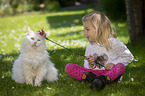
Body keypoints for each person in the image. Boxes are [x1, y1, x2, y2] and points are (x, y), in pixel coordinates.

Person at [65, 11, 134, 90]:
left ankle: (104, 79)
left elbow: (128, 56)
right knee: (69, 67)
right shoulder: (90, 45)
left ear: (99, 29)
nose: (85, 33)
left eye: (87, 29)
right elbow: (86, 65)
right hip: (92, 74)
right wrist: (90, 64)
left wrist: (114, 64)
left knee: (120, 67)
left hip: (109, 73)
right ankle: (93, 80)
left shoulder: (114, 42)